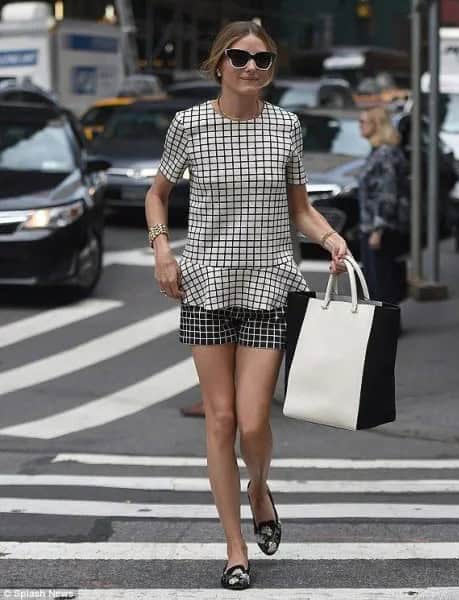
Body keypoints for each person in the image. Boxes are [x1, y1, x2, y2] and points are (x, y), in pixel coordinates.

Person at [144, 20, 350, 591]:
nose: (251, 68)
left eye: (262, 60)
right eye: (240, 57)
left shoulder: (286, 125)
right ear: (219, 64)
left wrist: (330, 238)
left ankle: (259, 485)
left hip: (267, 285)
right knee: (222, 419)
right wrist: (163, 250)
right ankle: (236, 548)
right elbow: (157, 194)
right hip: (206, 284)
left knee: (256, 421)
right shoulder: (189, 125)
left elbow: (300, 208)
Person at [357, 106, 409, 308]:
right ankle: (383, 327)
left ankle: (387, 329)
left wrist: (378, 230)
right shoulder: (377, 152)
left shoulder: (386, 154)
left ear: (377, 124)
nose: (359, 126)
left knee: (382, 283)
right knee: (375, 281)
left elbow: (388, 194)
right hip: (370, 226)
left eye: (363, 121)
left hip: (381, 229)